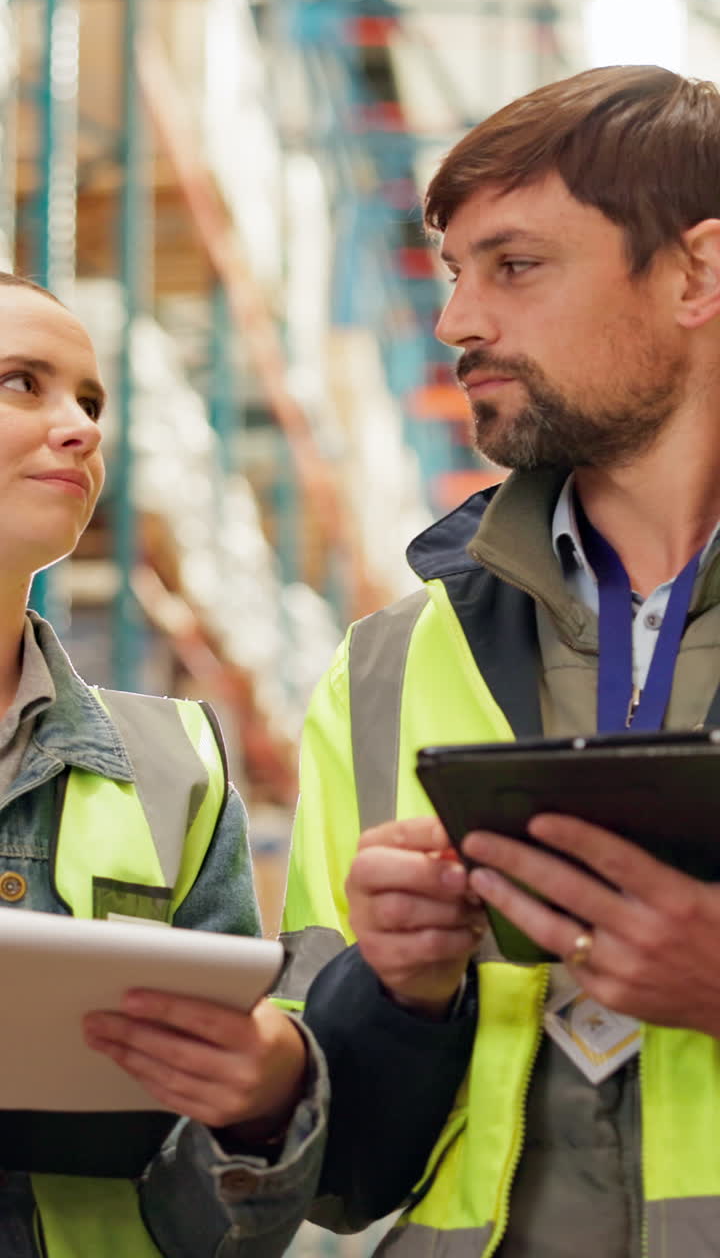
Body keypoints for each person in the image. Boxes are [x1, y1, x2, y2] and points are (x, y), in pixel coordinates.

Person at [275, 64, 720, 1258]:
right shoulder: (381, 672)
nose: (458, 322)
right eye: (454, 272)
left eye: (515, 266)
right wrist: (398, 992)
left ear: (697, 273)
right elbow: (329, 1170)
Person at [0, 271, 327, 1258]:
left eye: (91, 400)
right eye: (23, 382)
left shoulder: (172, 760)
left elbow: (215, 1200)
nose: (82, 428)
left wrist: (265, 1111)